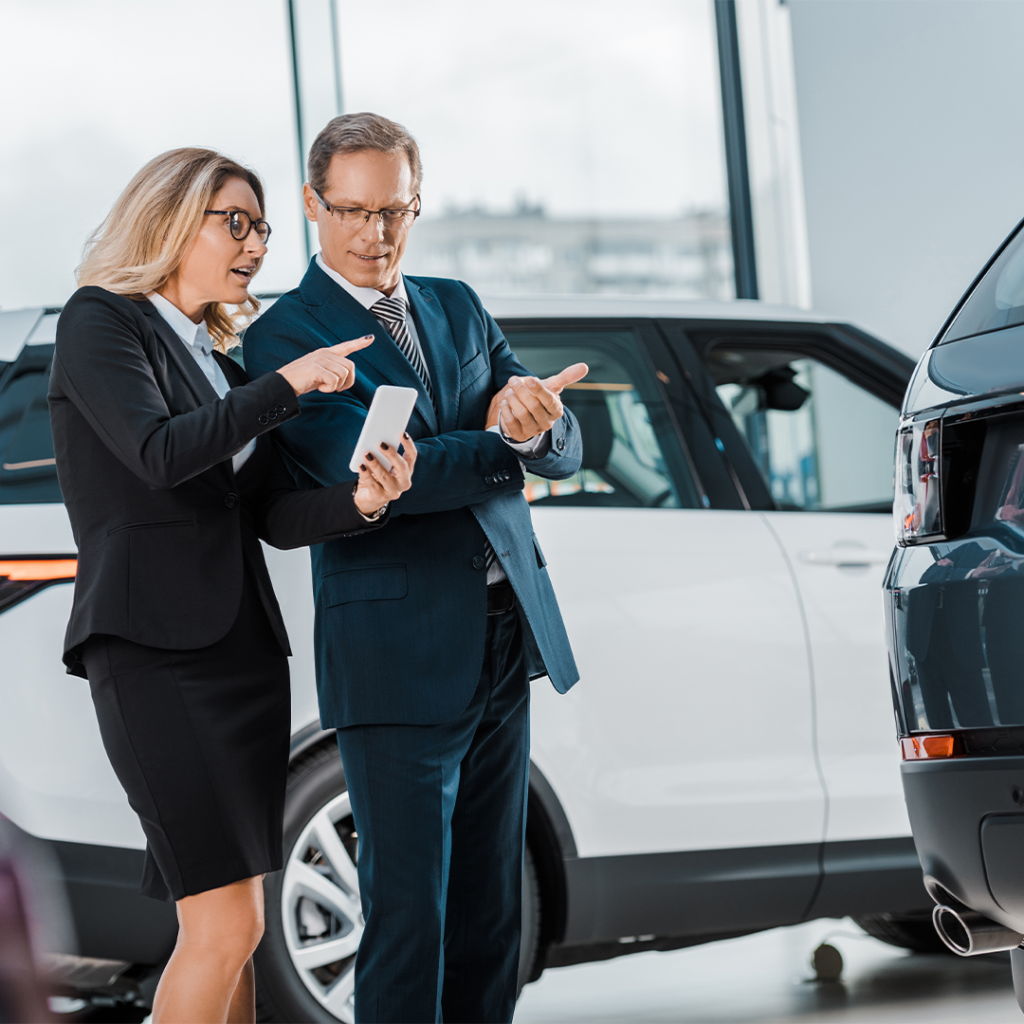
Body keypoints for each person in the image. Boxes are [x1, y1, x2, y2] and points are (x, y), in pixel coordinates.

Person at [48, 148, 417, 1024]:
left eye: (261, 227)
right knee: (224, 923)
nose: (254, 245)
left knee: (237, 929)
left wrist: (363, 499)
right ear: (171, 221)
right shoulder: (103, 322)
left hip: (242, 659)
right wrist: (287, 384)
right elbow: (159, 454)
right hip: (155, 656)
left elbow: (274, 516)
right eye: (234, 222)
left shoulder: (220, 362)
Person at [243, 113, 585, 1024]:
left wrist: (541, 422)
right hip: (394, 657)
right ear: (314, 205)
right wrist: (500, 445)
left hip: (503, 637)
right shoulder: (283, 340)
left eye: (393, 211)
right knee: (407, 921)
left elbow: (558, 439)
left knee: (490, 915)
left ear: (417, 203)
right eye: (351, 211)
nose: (374, 234)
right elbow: (360, 476)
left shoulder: (459, 304)